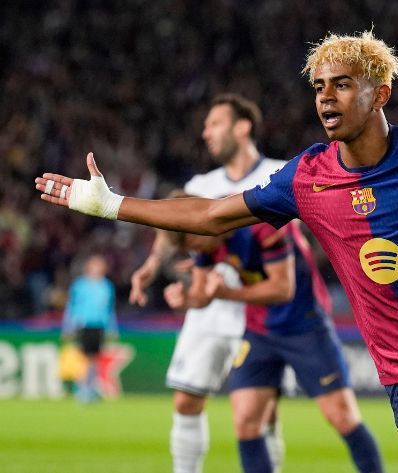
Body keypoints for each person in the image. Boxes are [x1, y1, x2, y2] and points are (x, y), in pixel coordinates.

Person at [36, 30, 398, 472]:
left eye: (341, 84)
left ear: (380, 93)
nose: (325, 98)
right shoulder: (307, 177)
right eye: (318, 87)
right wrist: (112, 205)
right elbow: (210, 215)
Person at [128, 94, 286, 473]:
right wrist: (153, 264)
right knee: (186, 400)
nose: (206, 133)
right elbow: (172, 226)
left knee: (261, 412)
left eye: (214, 124)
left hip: (261, 311)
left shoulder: (280, 173)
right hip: (209, 310)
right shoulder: (201, 184)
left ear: (242, 127)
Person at [161, 212, 384, 473]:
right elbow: (202, 293)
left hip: (304, 327)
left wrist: (227, 293)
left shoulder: (261, 226)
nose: (197, 251)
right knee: (246, 420)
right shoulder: (205, 239)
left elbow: (282, 289)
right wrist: (186, 298)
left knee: (342, 417)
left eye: (195, 244)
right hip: (258, 332)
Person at [61, 254, 118, 403]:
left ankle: (91, 388)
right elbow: (71, 307)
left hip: (99, 325)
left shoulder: (107, 286)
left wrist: (112, 328)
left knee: (95, 359)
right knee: (84, 358)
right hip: (84, 324)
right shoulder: (79, 285)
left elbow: (110, 309)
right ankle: (81, 389)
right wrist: (67, 326)